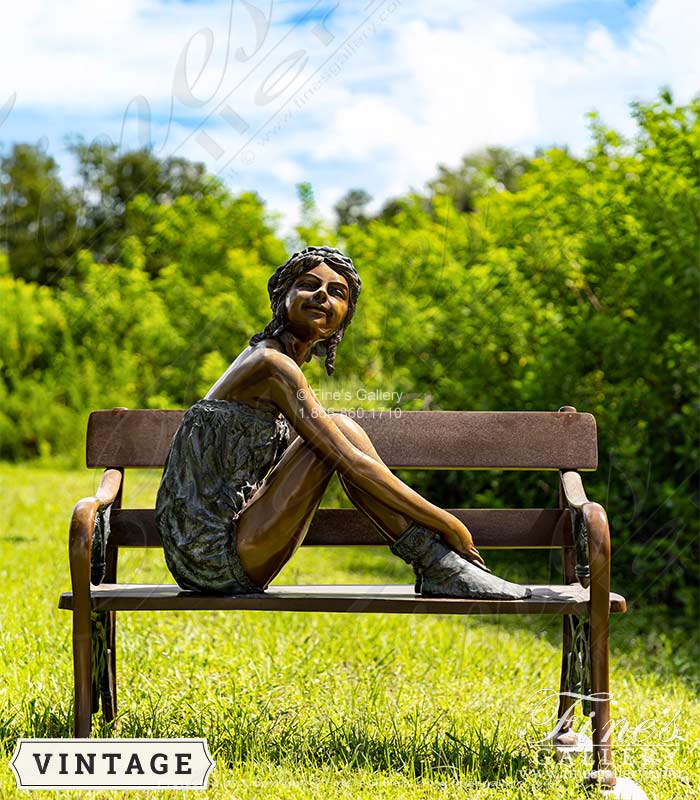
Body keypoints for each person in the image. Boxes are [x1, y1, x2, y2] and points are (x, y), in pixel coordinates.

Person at [155, 246, 531, 599]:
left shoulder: (271, 363)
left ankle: (438, 566)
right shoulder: (271, 366)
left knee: (340, 430)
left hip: (222, 548)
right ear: (282, 297)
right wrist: (446, 522)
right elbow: (348, 461)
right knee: (341, 435)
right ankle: (438, 565)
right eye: (308, 285)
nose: (322, 295)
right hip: (213, 559)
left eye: (337, 292)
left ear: (343, 319)